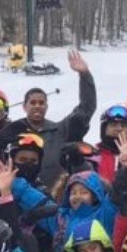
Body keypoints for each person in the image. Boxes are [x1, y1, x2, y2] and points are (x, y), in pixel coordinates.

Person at [20, 51, 97, 186]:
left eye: (41, 103)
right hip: (21, 199)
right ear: (24, 107)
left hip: (56, 197)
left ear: (47, 106)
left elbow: (86, 108)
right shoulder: (14, 132)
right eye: (32, 103)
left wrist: (85, 75)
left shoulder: (60, 130)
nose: (37, 106)